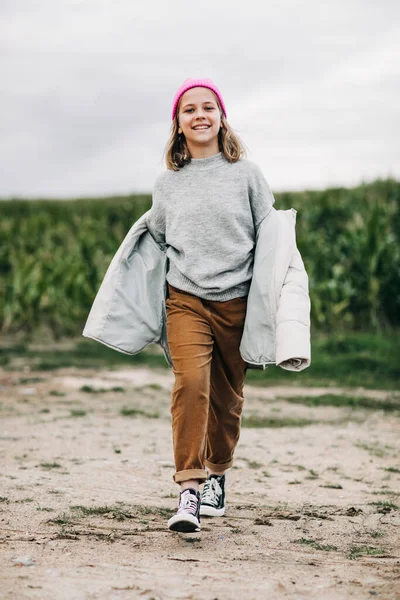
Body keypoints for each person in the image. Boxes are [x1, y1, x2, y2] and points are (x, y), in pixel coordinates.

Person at [146, 78, 278, 533]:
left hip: (237, 305)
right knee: (190, 385)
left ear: (221, 117)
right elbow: (159, 240)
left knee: (227, 403)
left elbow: (272, 239)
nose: (199, 115)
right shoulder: (167, 184)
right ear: (178, 125)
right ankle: (189, 490)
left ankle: (218, 471)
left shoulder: (247, 175)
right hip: (186, 300)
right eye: (189, 110)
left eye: (208, 107)